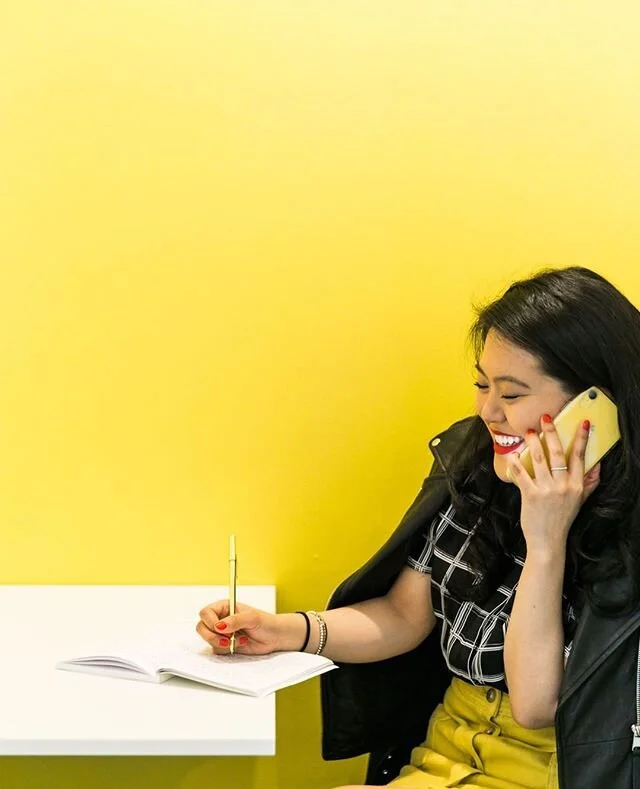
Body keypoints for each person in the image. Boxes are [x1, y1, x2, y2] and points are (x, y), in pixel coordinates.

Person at [196, 266, 640, 789]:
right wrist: (285, 631)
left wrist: (546, 540)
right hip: (445, 750)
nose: (488, 412)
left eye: (513, 395)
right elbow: (406, 614)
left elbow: (536, 703)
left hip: (556, 769)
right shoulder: (478, 465)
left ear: (597, 404)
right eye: (481, 384)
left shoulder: (626, 527)